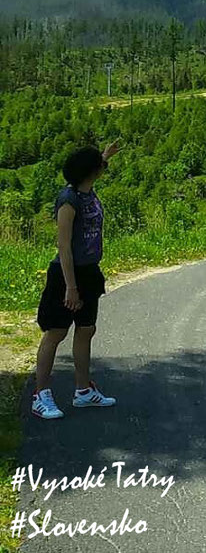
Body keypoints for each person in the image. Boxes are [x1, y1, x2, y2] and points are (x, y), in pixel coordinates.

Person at [32, 141, 121, 419]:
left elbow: (96, 168)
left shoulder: (87, 190)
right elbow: (64, 247)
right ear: (90, 171)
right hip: (66, 275)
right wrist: (70, 287)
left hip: (89, 271)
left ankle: (83, 392)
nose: (102, 168)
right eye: (99, 164)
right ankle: (40, 395)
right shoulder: (68, 201)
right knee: (56, 332)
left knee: (86, 329)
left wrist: (105, 156)